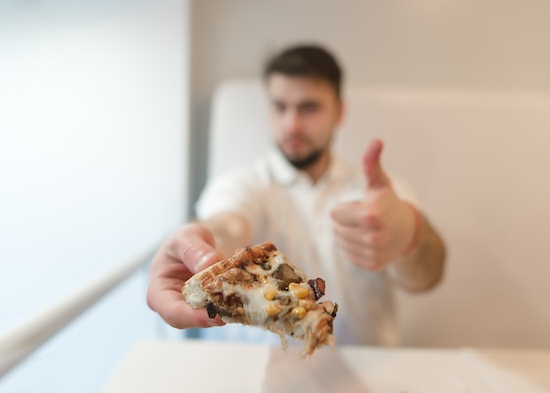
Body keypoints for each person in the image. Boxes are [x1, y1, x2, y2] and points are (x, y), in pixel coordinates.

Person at [147, 44, 446, 346]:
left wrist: (409, 233)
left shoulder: (380, 194)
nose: (292, 124)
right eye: (280, 107)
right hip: (251, 374)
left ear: (339, 111)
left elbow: (427, 277)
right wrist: (200, 246)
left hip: (364, 372)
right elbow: (228, 225)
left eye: (309, 107)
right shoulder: (242, 183)